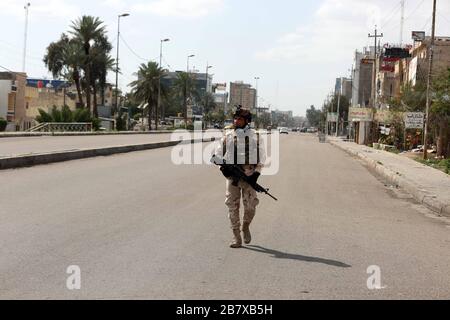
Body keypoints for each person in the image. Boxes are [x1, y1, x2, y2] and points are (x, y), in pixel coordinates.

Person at [214, 105, 266, 248]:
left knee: (251, 206)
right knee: (232, 205)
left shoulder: (255, 136)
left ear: (246, 121)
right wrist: (222, 168)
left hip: (249, 175)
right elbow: (217, 155)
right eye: (235, 118)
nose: (236, 121)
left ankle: (245, 226)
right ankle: (236, 236)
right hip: (232, 177)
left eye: (240, 119)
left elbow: (262, 156)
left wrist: (256, 173)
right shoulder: (228, 136)